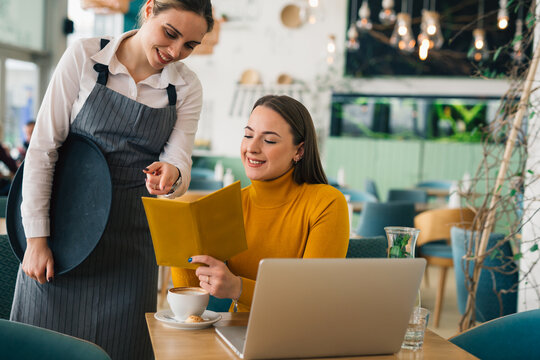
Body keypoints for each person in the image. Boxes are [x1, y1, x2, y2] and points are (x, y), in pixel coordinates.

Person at [10, 1, 213, 359]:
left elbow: (179, 160)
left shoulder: (185, 87)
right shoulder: (85, 56)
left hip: (131, 249)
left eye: (189, 46)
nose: (175, 52)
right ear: (149, 9)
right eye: (170, 34)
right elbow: (42, 149)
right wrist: (37, 239)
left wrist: (173, 175)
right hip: (63, 237)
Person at [171, 95, 350, 311]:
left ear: (299, 151)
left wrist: (238, 288)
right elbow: (193, 301)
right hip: (236, 332)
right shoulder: (230, 203)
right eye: (248, 135)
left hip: (303, 337)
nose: (252, 148)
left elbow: (313, 297)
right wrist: (179, 251)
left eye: (269, 140)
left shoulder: (326, 203)